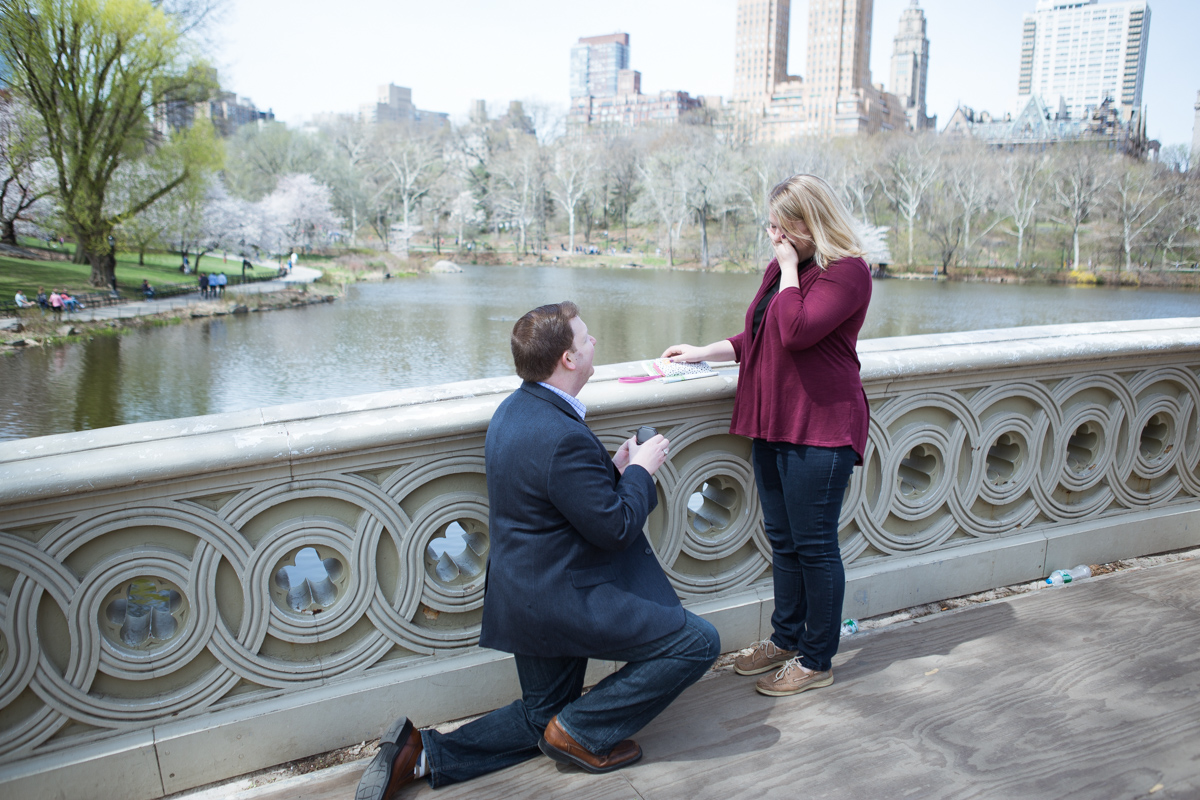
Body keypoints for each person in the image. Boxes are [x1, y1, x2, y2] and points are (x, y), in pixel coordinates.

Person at [355, 301, 720, 800]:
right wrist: (641, 470)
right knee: (697, 643)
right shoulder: (560, 433)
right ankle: (579, 732)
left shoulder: (516, 409)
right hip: (565, 600)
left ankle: (417, 756)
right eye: (586, 339)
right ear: (568, 358)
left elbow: (557, 497)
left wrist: (612, 471)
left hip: (525, 594)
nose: (594, 343)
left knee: (539, 715)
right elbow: (615, 528)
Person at [661, 174, 872, 698]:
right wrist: (703, 352)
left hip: (822, 427)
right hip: (774, 420)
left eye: (782, 226)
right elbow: (761, 331)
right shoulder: (787, 269)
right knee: (783, 539)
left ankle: (816, 659)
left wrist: (787, 267)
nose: (773, 235)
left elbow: (797, 330)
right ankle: (785, 639)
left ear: (811, 222)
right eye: (770, 225)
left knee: (815, 546)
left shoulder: (848, 272)